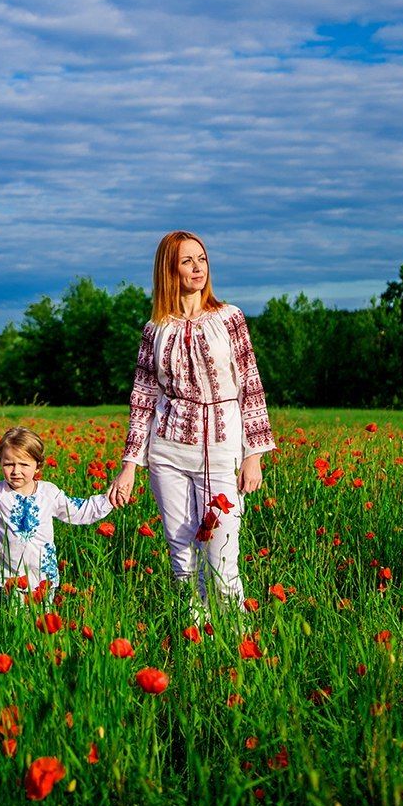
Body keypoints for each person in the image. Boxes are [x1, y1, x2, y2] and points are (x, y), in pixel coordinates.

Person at [108, 231, 275, 611]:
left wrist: (254, 454)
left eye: (201, 258)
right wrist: (130, 465)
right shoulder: (155, 329)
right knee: (182, 555)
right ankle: (193, 637)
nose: (198, 267)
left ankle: (234, 638)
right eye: (187, 260)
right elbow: (143, 399)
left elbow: (250, 383)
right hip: (167, 451)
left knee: (221, 553)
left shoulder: (229, 318)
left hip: (222, 449)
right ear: (169, 269)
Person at [0, 426, 115, 600]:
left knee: (41, 625)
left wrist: (109, 499)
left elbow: (78, 510)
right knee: (12, 622)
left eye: (24, 464)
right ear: (0, 463)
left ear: (37, 466)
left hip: (43, 577)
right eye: (8, 464)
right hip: (7, 576)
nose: (16, 471)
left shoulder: (48, 493)